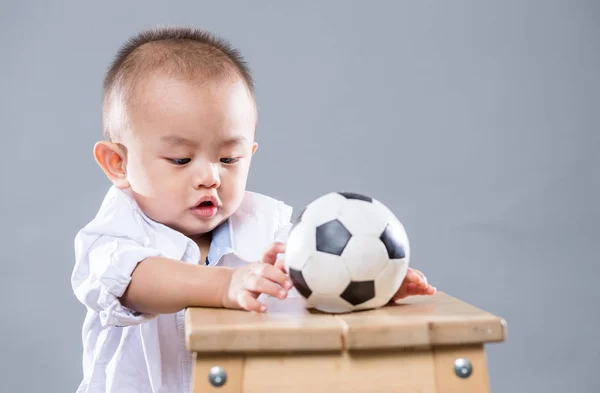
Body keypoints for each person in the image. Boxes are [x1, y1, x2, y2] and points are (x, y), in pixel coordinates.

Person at [71, 25, 436, 393]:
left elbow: (315, 291)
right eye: (181, 159)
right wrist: (226, 284)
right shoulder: (113, 235)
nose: (210, 176)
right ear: (118, 163)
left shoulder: (269, 228)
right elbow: (134, 281)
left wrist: (363, 282)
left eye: (229, 158)